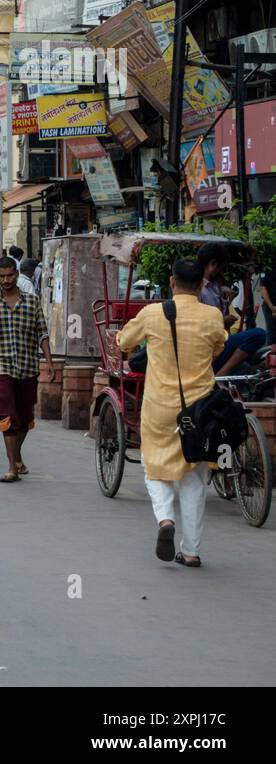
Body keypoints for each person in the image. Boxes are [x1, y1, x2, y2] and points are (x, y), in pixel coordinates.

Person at [116, 259, 227, 567]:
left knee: (154, 466)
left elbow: (125, 341)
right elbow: (219, 347)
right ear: (201, 284)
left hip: (160, 406)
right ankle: (190, 551)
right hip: (200, 409)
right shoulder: (212, 315)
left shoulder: (152, 313)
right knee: (194, 476)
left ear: (172, 282)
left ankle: (165, 519)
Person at [0, 256, 53, 482]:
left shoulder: (32, 302)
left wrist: (49, 361)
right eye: (1, 276)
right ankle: (12, 467)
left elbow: (42, 333)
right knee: (7, 415)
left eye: (9, 275)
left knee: (24, 417)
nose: (5, 280)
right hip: (2, 368)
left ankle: (17, 454)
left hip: (28, 367)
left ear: (16, 274)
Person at [198, 242, 264, 375]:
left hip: (220, 337)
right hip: (208, 344)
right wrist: (222, 320)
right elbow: (201, 322)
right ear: (213, 264)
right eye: (220, 267)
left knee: (250, 360)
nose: (220, 271)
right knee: (259, 334)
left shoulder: (214, 286)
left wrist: (228, 300)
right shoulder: (198, 288)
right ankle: (220, 375)